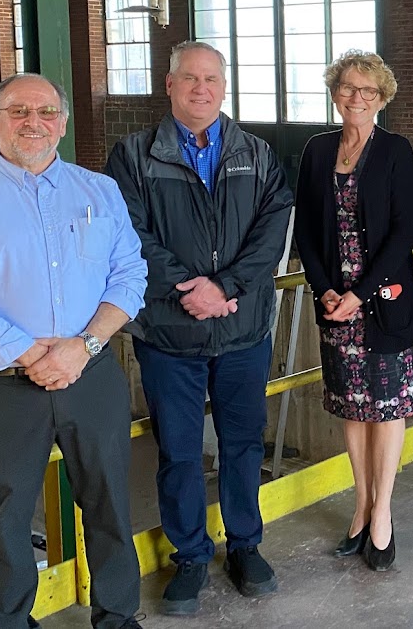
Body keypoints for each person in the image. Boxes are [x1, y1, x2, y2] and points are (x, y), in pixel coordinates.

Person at [0, 74, 146, 629]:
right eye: (19, 111)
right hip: (3, 386)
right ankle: (6, 621)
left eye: (47, 111)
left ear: (64, 120)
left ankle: (118, 617)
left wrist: (84, 346)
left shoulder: (99, 191)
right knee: (5, 515)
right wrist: (31, 353)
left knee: (109, 505)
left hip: (92, 374)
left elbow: (129, 274)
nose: (35, 122)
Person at [105, 41, 293, 615]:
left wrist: (227, 287)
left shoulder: (257, 154)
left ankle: (244, 545)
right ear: (170, 84)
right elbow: (128, 233)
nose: (201, 89)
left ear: (224, 86)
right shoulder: (134, 156)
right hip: (168, 335)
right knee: (180, 453)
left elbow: (273, 228)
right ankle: (189, 555)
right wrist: (189, 288)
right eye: (189, 78)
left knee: (242, 445)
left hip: (240, 333)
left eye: (211, 79)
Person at [295, 51, 413, 572]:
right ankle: (360, 507)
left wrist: (360, 294)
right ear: (334, 91)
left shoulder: (395, 151)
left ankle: (384, 512)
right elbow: (305, 227)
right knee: (353, 407)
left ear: (382, 98)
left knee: (386, 409)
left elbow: (401, 233)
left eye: (368, 91)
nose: (357, 98)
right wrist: (324, 288)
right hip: (335, 304)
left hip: (380, 302)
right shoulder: (317, 150)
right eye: (348, 87)